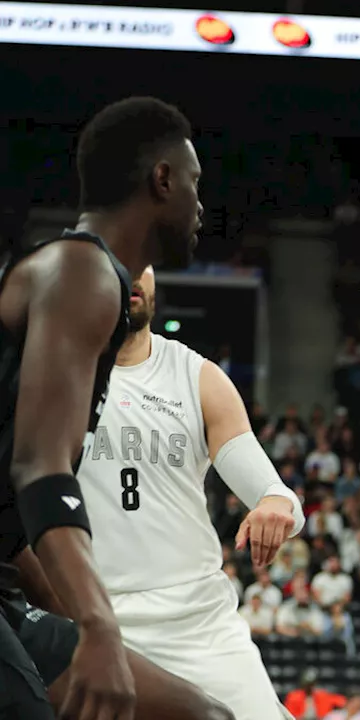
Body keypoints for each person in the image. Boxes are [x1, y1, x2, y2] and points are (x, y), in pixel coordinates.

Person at [0, 96, 232, 718]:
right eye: (195, 184)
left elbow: (13, 515)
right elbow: (39, 469)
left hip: (6, 588)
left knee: (200, 714)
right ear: (163, 180)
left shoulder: (92, 278)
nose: (201, 206)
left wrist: (93, 628)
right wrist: (98, 628)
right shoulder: (84, 272)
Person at [77, 264, 304, 718]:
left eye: (143, 265)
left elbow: (273, 491)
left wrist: (276, 503)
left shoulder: (198, 376)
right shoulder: (55, 376)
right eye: (120, 263)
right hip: (88, 617)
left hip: (198, 623)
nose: (133, 278)